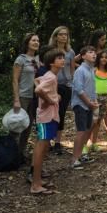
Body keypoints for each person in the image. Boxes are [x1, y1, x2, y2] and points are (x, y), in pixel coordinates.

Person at [30, 48, 64, 195]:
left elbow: (37, 81)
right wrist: (50, 100)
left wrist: (55, 96)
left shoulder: (48, 75)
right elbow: (38, 91)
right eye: (59, 58)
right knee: (41, 146)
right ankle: (35, 185)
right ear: (52, 62)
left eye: (63, 57)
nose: (63, 60)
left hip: (48, 116)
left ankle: (37, 181)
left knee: (43, 147)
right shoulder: (51, 77)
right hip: (46, 117)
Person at [70, 43, 100, 170]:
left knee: (87, 130)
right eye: (90, 52)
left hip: (89, 105)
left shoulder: (91, 70)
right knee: (81, 131)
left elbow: (92, 89)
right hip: (80, 105)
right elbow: (78, 89)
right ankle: (74, 160)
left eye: (94, 52)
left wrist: (94, 101)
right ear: (82, 56)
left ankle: (81, 155)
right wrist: (88, 102)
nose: (94, 54)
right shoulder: (80, 71)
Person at [11, 33, 41, 156]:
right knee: (18, 126)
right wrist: (16, 99)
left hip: (35, 97)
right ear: (27, 43)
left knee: (28, 126)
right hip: (23, 96)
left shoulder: (39, 60)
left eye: (38, 40)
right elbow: (15, 80)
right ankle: (10, 153)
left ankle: (20, 153)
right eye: (33, 40)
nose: (36, 42)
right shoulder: (21, 59)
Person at [50, 26, 76, 154]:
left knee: (61, 113)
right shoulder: (51, 51)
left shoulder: (70, 52)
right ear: (56, 36)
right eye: (61, 34)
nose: (63, 37)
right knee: (50, 113)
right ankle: (48, 139)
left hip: (66, 86)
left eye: (66, 34)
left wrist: (72, 83)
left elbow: (72, 69)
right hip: (52, 85)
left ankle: (58, 142)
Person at [89, 48, 107, 149]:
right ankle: (86, 142)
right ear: (98, 58)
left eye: (106, 58)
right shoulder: (94, 70)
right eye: (102, 57)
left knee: (99, 121)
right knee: (93, 121)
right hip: (95, 98)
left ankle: (94, 143)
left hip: (105, 98)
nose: (104, 59)